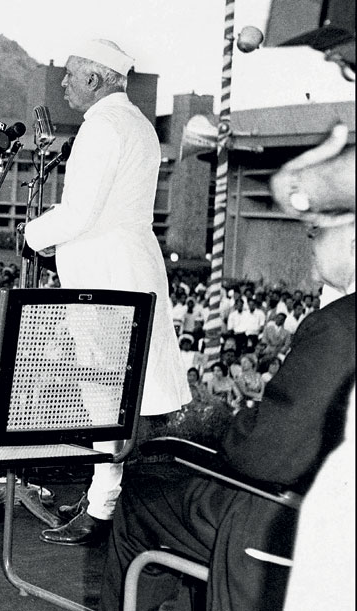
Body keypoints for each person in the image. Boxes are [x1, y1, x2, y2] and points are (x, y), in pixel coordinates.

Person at [99, 213, 355, 611]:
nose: (311, 239)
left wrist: (232, 425)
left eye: (319, 231)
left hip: (283, 518)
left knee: (140, 495)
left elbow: (263, 455)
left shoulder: (339, 327)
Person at [22, 39, 191, 545]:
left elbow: (79, 214)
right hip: (126, 265)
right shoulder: (137, 123)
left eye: (73, 75)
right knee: (113, 394)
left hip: (107, 276)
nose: (65, 83)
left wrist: (32, 235)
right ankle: (103, 495)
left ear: (96, 79)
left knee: (103, 393)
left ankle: (100, 509)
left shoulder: (101, 128)